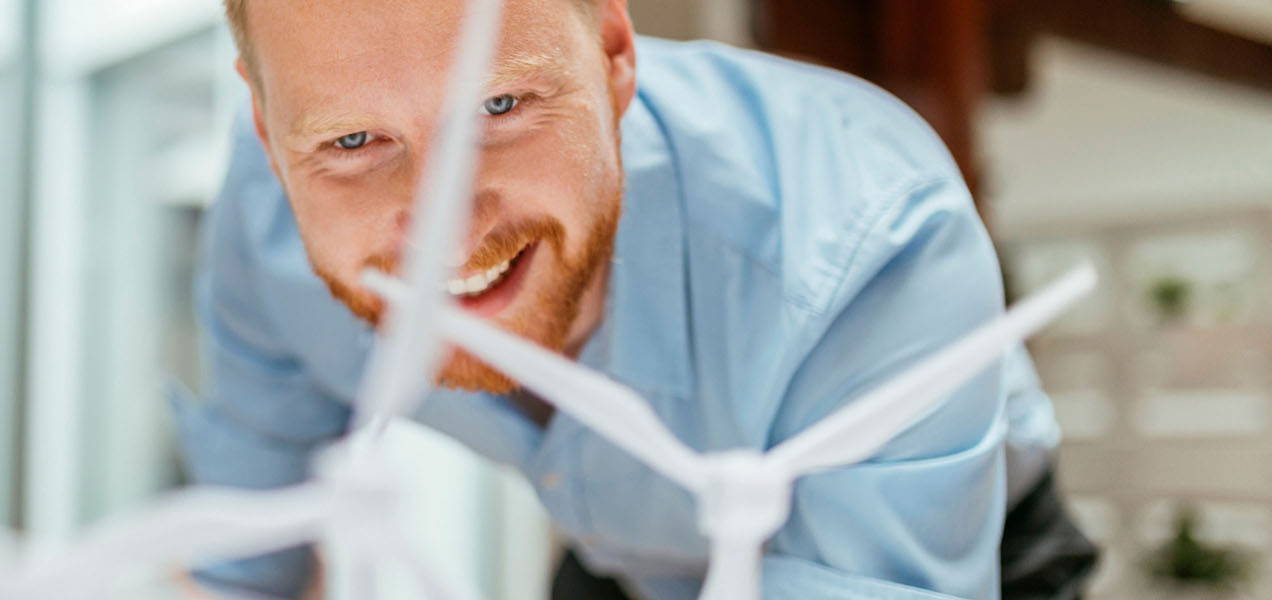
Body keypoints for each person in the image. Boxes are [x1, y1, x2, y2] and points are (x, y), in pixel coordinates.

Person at [173, 0, 1098, 598]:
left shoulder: (869, 237)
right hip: (628, 555)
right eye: (353, 141)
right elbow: (249, 551)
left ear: (614, 53)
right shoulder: (266, 232)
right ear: (265, 125)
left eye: (501, 107)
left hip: (942, 540)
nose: (448, 235)